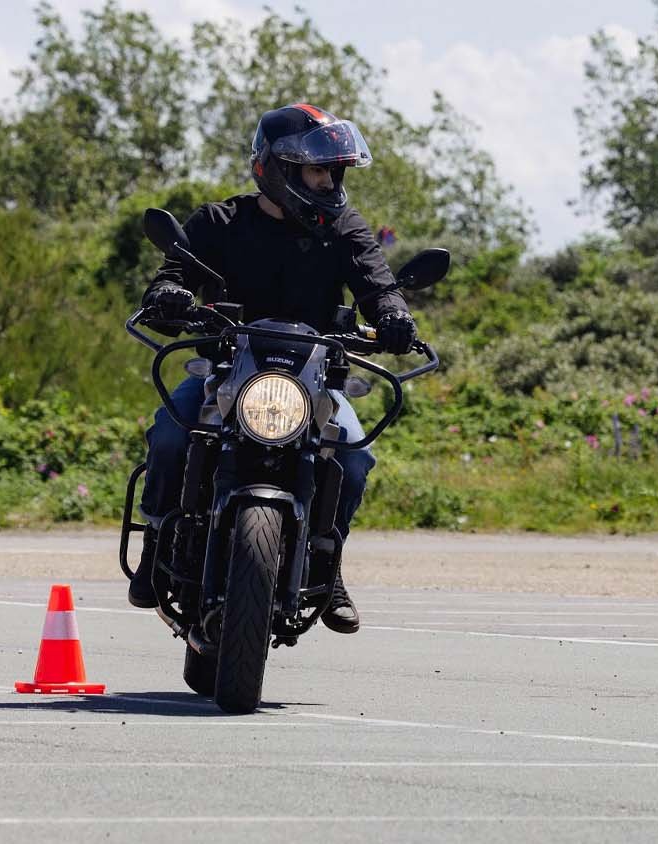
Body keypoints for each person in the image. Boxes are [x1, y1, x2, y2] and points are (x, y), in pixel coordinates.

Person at [128, 103, 417, 634]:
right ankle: (157, 543)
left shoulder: (345, 229)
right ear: (278, 168)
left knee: (355, 458)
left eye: (333, 171)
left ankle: (327, 564)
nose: (328, 181)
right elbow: (173, 272)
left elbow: (378, 287)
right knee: (170, 436)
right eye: (316, 169)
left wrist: (395, 316)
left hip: (312, 381)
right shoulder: (219, 222)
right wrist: (169, 294)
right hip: (225, 372)